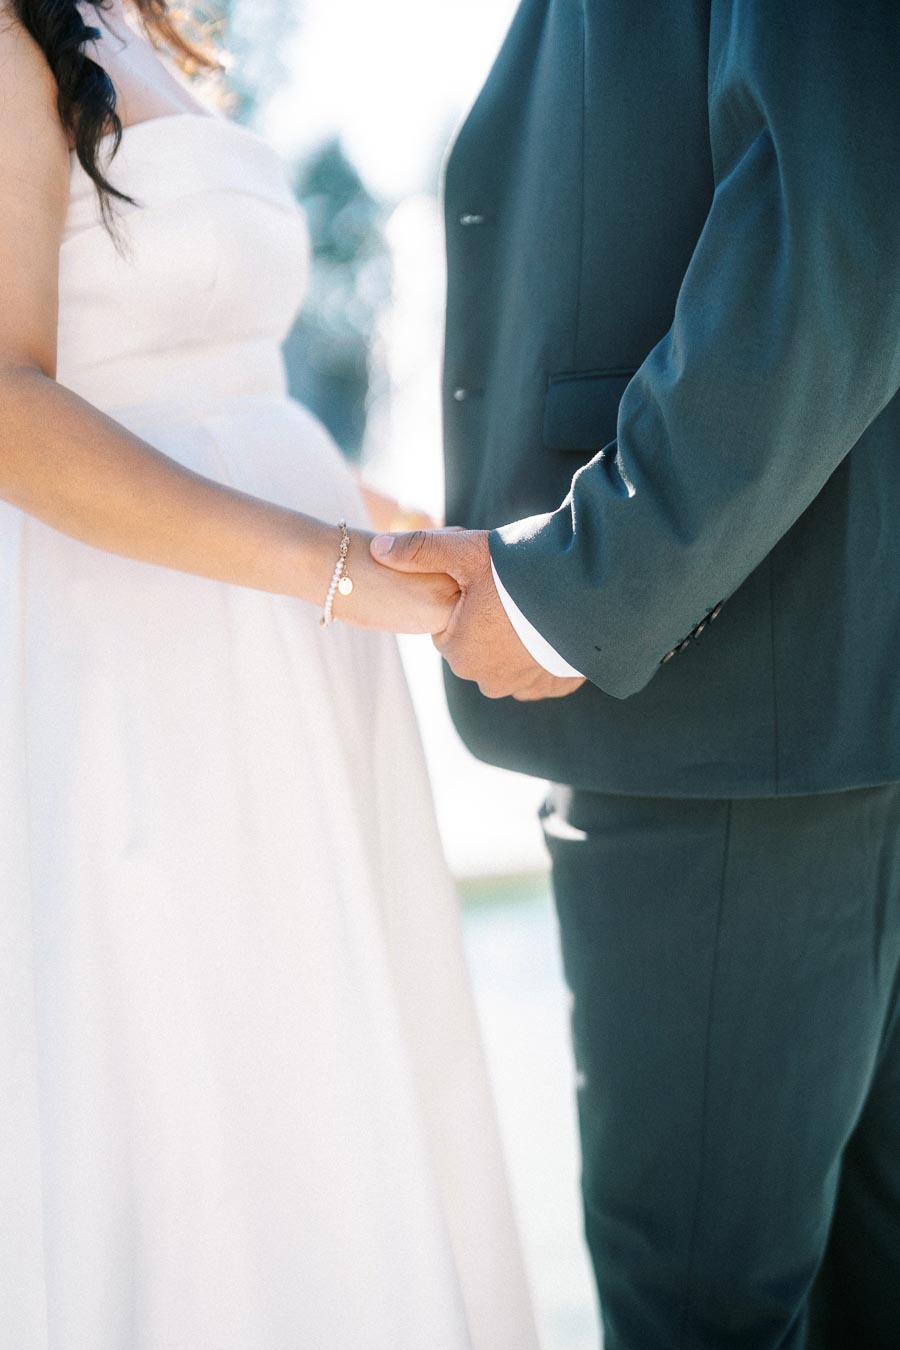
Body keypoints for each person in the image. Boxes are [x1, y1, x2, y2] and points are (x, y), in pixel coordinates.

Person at [0, 3, 541, 1347]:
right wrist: (334, 564)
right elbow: (8, 405)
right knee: (202, 1109)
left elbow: (233, 399)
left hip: (291, 664)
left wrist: (431, 546)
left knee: (322, 1082)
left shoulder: (142, 29)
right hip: (141, 661)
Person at [370, 1, 900, 1347]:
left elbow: (836, 213)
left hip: (724, 710)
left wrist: (576, 586)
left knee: (700, 1314)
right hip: (800, 699)